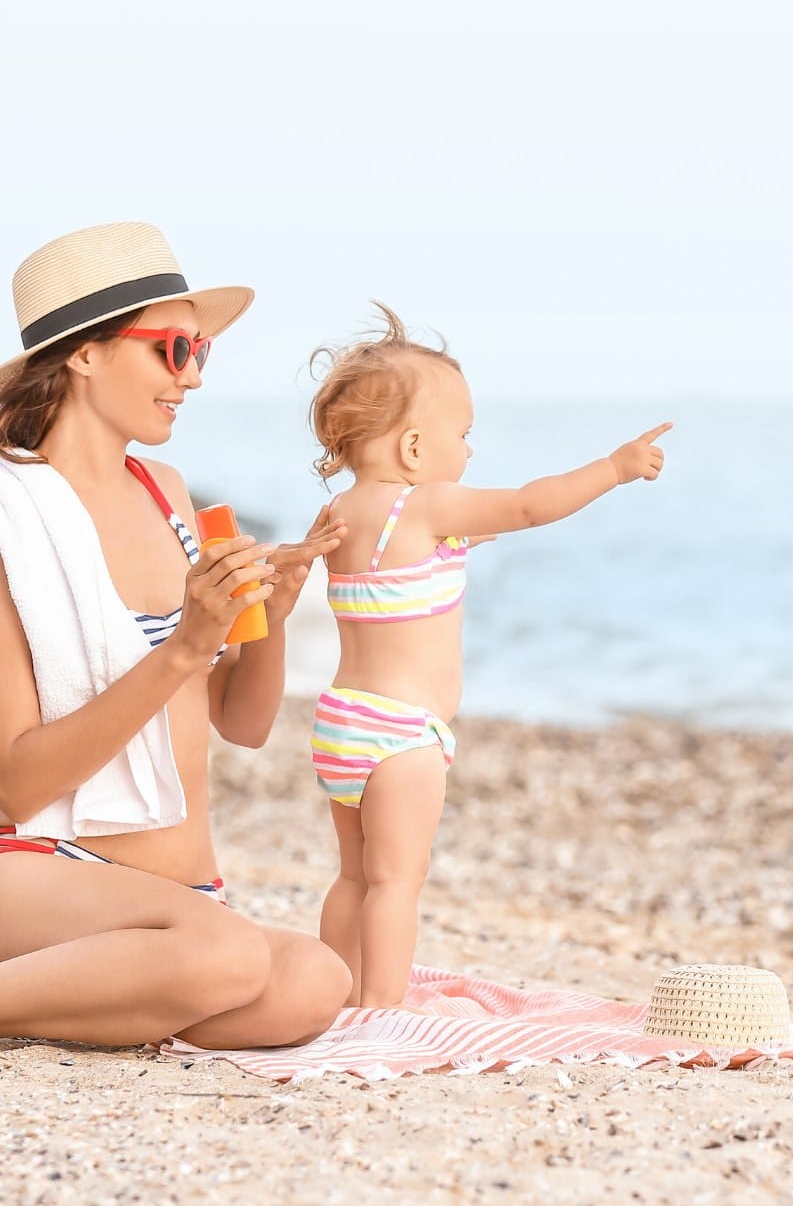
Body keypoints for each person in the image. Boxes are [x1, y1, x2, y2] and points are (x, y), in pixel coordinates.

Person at [0, 221, 352, 1049]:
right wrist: (187, 645)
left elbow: (243, 722)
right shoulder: (12, 517)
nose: (191, 376)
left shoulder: (167, 494)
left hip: (176, 896)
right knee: (224, 954)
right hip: (36, 865)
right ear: (85, 353)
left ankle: (71, 999)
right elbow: (16, 783)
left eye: (200, 351)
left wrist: (267, 621)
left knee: (312, 981)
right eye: (173, 349)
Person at [307, 304, 672, 1009]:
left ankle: (332, 994)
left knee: (353, 877)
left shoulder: (340, 516)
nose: (470, 452)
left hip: (342, 723)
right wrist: (614, 468)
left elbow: (401, 578)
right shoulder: (429, 505)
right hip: (403, 737)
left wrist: (458, 540)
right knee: (396, 882)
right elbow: (534, 505)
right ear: (414, 450)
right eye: (463, 434)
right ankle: (382, 1010)